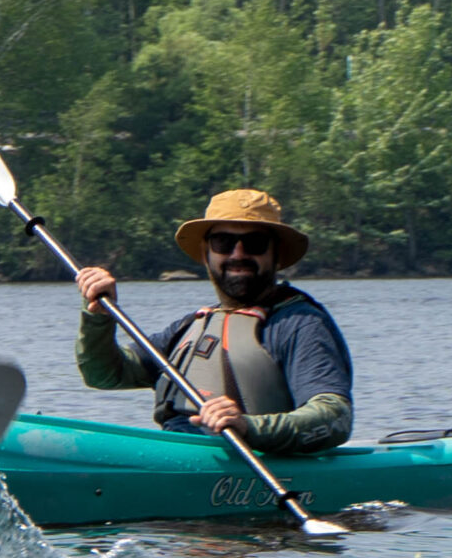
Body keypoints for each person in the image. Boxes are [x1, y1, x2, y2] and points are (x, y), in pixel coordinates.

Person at [72, 188, 354, 453]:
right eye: (224, 242)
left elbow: (334, 415)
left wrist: (249, 426)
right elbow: (104, 374)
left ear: (276, 255)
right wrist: (98, 315)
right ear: (206, 254)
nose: (238, 254)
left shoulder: (299, 324)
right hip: (181, 453)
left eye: (255, 243)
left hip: (257, 465)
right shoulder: (190, 327)